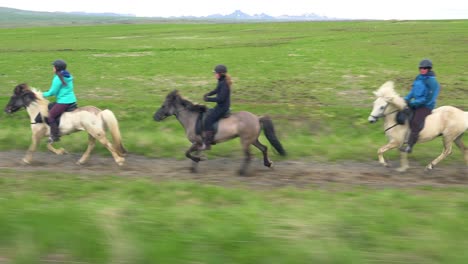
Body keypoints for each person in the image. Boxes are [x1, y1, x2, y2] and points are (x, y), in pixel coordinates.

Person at [400, 59, 440, 153]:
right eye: (421, 68)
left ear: (429, 69)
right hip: (416, 103)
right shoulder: (418, 77)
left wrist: (414, 103)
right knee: (403, 114)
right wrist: (406, 99)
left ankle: (409, 146)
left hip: (426, 106)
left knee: (415, 121)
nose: (422, 69)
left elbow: (428, 99)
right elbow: (413, 91)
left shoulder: (432, 82)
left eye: (425, 68)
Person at [42, 59, 77, 143]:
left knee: (51, 115)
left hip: (64, 102)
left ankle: (54, 135)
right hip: (72, 100)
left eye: (53, 67)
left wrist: (41, 94)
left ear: (57, 68)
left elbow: (52, 92)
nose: (52, 68)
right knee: (50, 106)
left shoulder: (58, 78)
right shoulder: (67, 75)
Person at [200, 64, 232, 150]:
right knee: (208, 114)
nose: (214, 74)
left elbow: (220, 99)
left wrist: (208, 99)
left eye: (216, 73)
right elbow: (216, 90)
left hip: (223, 107)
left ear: (220, 74)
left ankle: (208, 143)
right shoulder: (221, 81)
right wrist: (208, 94)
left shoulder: (225, 83)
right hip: (220, 106)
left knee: (208, 120)